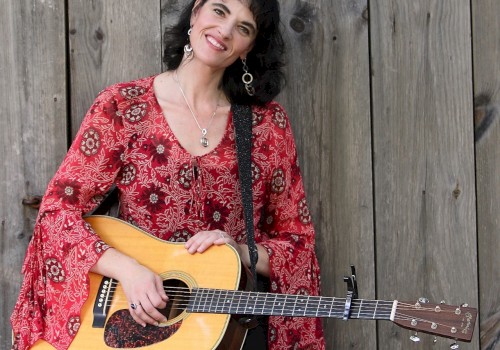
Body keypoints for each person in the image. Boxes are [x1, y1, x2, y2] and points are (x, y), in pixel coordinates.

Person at [10, 0, 326, 349]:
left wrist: (239, 249)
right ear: (195, 13)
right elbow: (56, 213)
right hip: (132, 324)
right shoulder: (124, 107)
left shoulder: (267, 126)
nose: (224, 31)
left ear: (248, 48)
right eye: (219, 11)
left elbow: (297, 244)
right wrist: (128, 271)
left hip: (226, 331)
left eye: (243, 27)